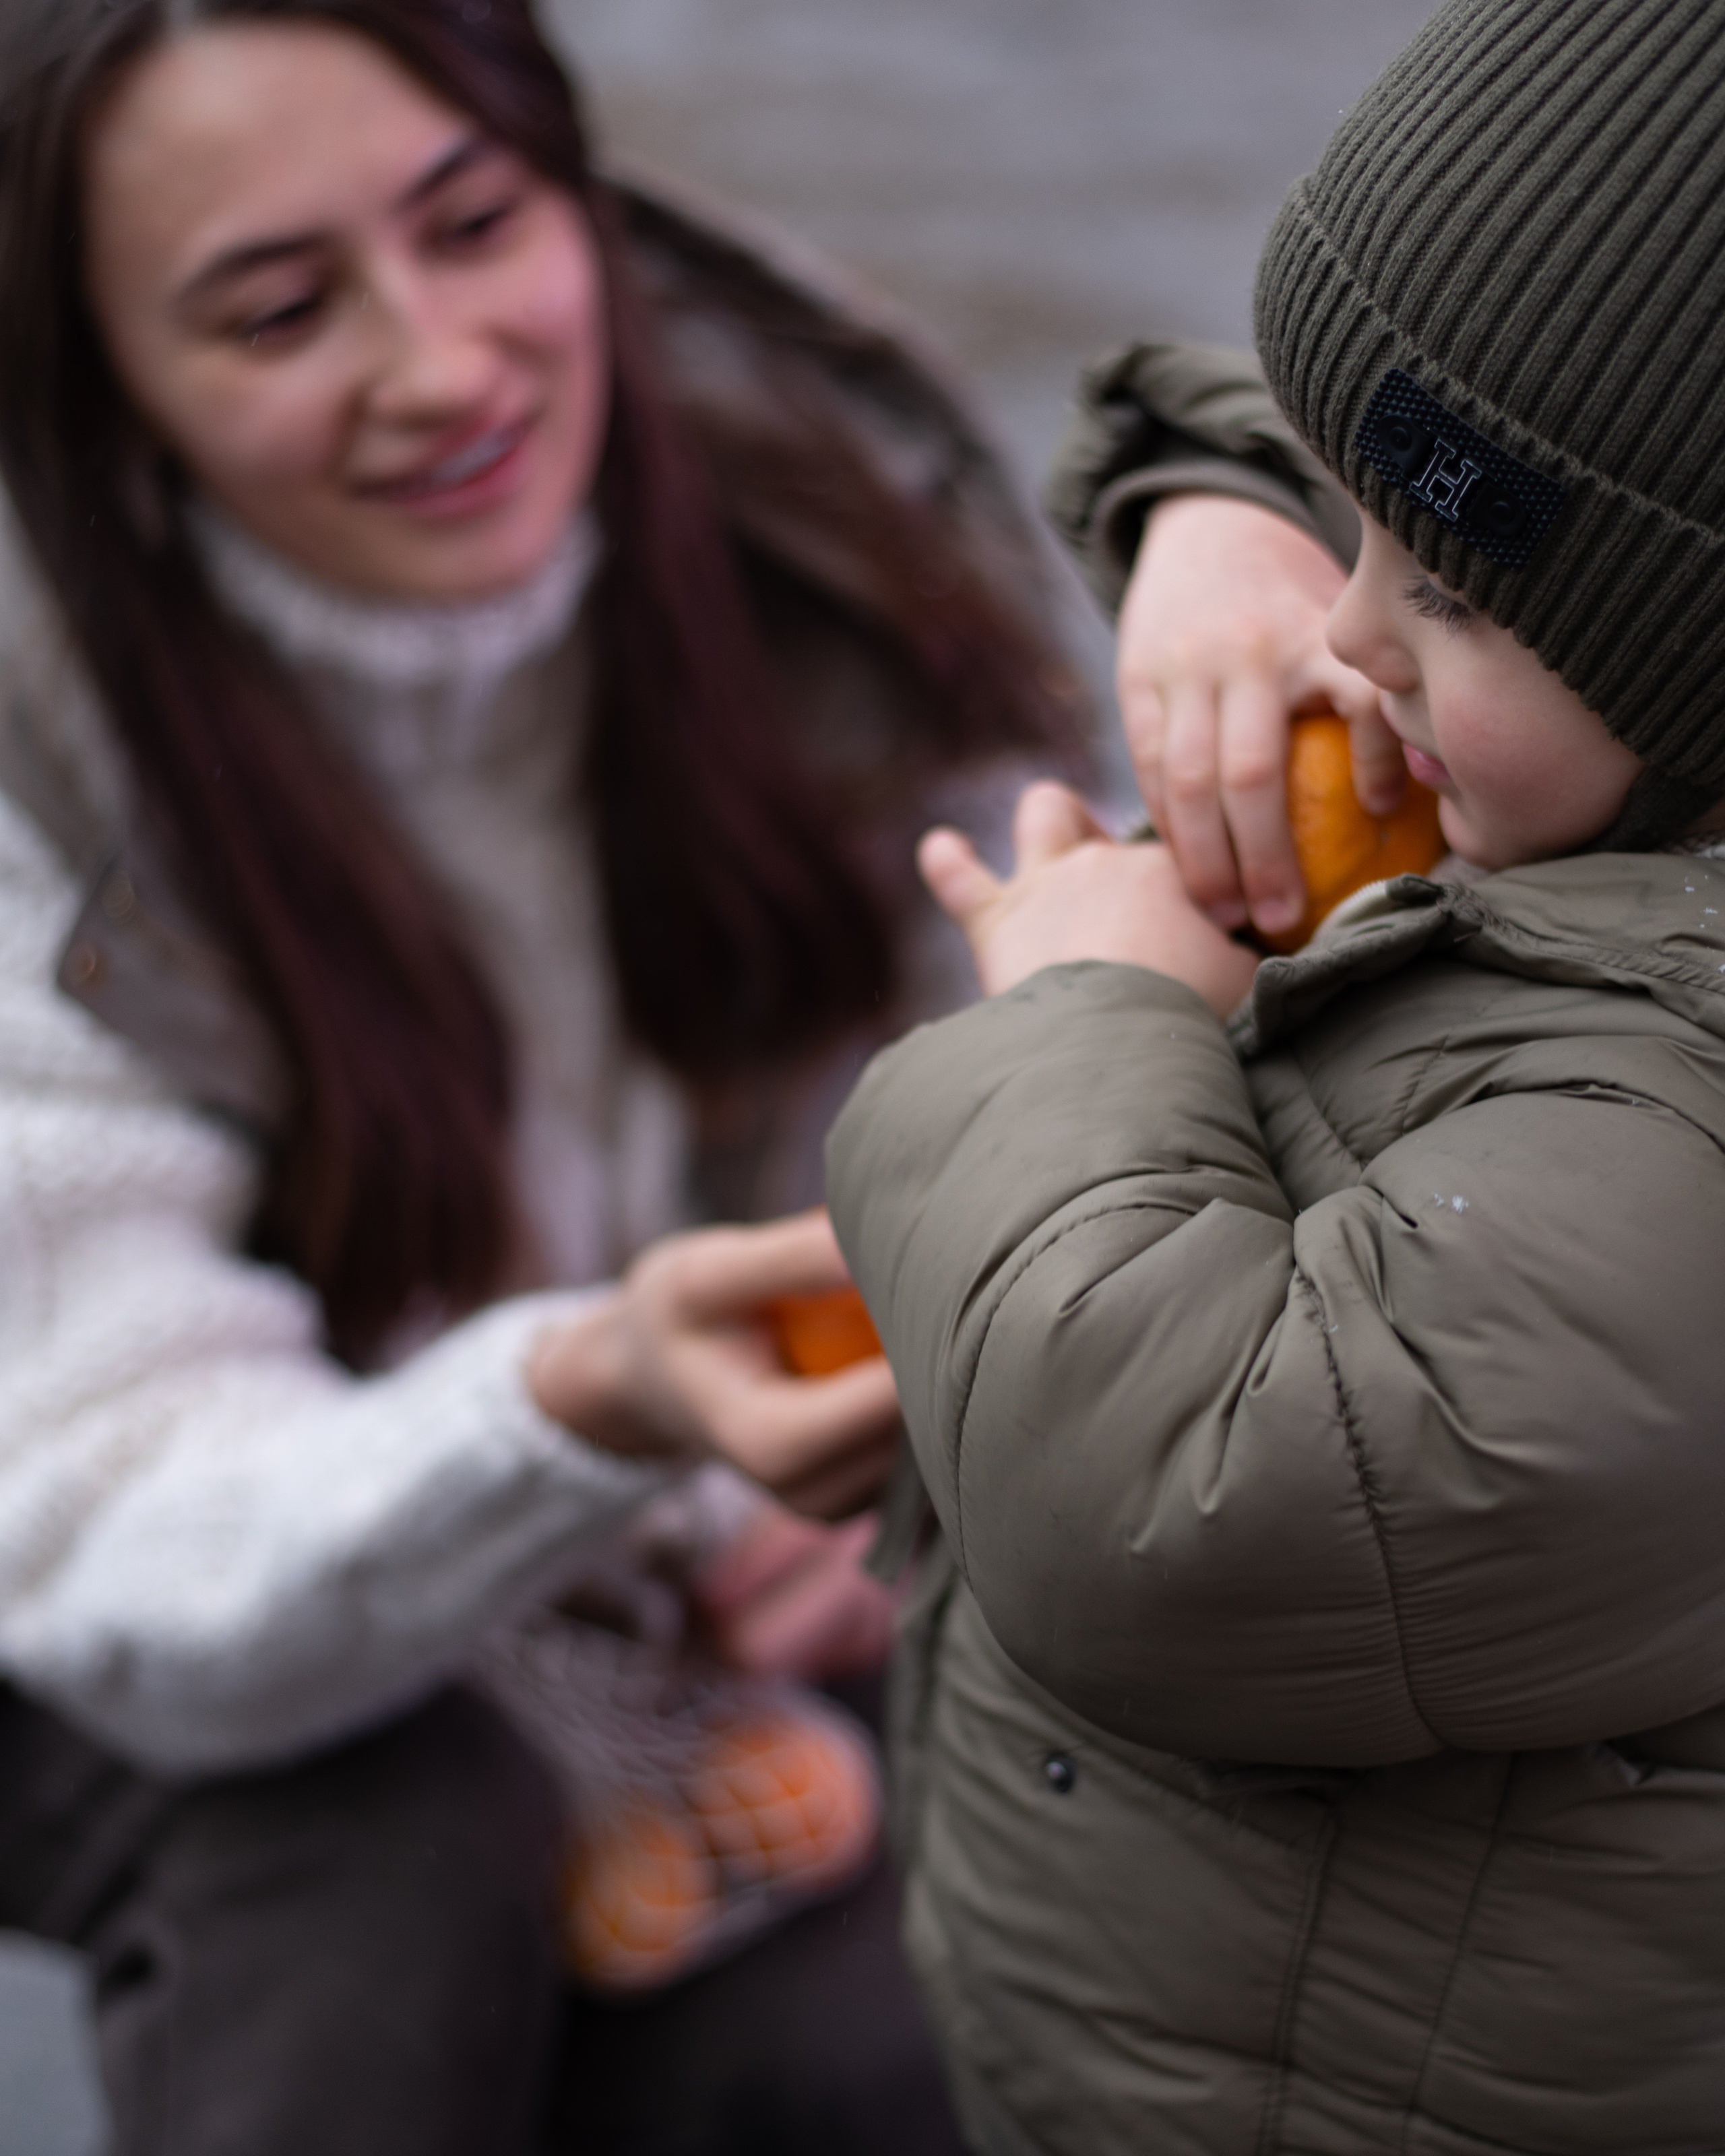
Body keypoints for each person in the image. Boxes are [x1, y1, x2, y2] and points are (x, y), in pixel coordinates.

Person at [0, 1, 1084, 2150]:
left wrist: (928, 1458)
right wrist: (589, 1401)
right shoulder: (31, 746)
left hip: (665, 1563)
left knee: (919, 2006)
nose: (439, 366)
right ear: (103, 382)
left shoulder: (850, 530)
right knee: (371, 1859)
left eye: (477, 222)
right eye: (281, 311)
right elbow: (124, 1535)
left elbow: (1046, 1130)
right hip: (104, 1534)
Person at [805, 1, 1725, 2149]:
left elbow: (1181, 1505)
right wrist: (1215, 505)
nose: (1351, 636)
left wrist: (1090, 1018)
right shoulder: (1598, 785)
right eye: (1349, 524)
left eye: (1446, 594)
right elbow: (1537, 454)